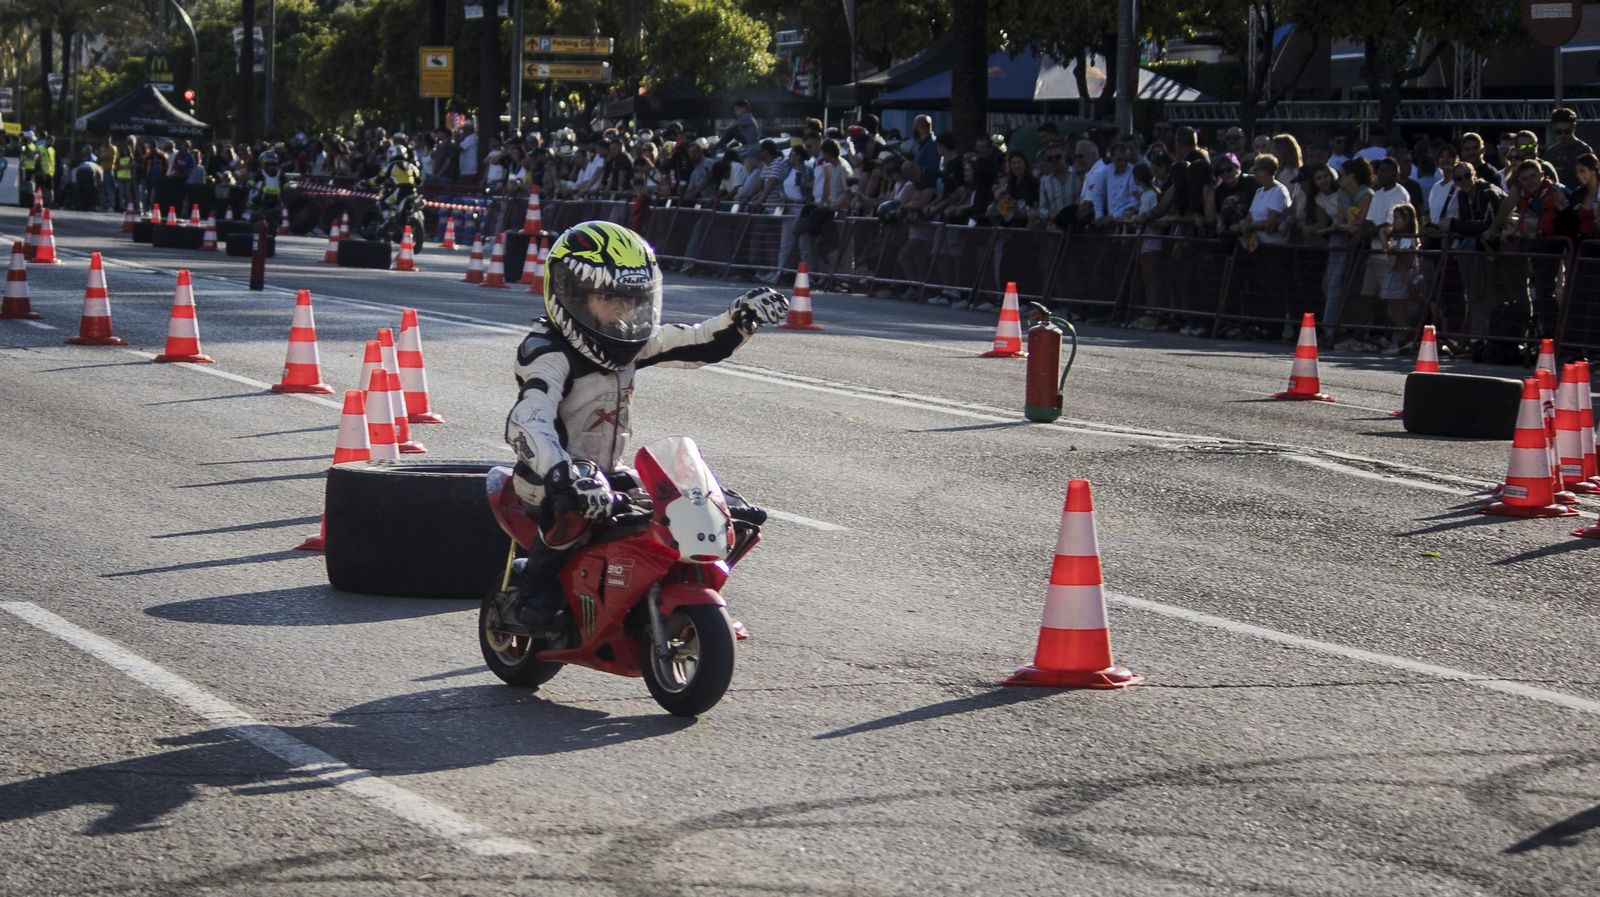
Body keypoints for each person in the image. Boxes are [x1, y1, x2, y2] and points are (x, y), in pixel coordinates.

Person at [496, 221, 789, 635]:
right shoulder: (547, 351)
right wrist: (562, 471)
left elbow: (697, 341)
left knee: (703, 506)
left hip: (608, 471)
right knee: (572, 509)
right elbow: (529, 419)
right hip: (548, 476)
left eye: (632, 299)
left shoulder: (628, 342)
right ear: (571, 294)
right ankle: (534, 589)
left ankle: (681, 593)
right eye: (608, 298)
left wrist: (742, 318)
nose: (622, 310)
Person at [362, 141, 420, 224]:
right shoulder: (411, 166)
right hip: (413, 192)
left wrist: (367, 182)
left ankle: (387, 223)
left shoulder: (391, 165)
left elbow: (378, 179)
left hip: (400, 192)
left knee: (382, 203)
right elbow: (419, 181)